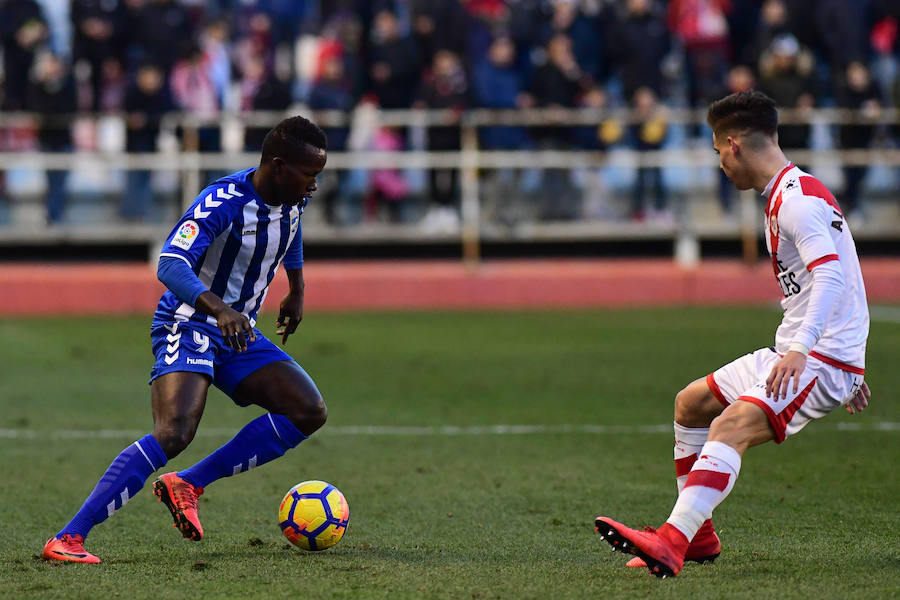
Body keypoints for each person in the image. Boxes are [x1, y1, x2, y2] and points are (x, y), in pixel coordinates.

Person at [594, 90, 872, 578]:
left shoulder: (796, 202)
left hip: (814, 355)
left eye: (717, 149)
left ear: (735, 144)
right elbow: (841, 275)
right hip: (812, 350)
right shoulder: (793, 192)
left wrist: (824, 356)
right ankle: (699, 538)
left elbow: (830, 277)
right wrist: (844, 353)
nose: (718, 160)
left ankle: (672, 541)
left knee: (730, 427)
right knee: (692, 404)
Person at [42, 116, 329, 563]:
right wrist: (219, 308)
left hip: (238, 331)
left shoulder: (293, 199)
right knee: (175, 431)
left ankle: (188, 484)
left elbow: (290, 233)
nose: (313, 185)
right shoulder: (224, 200)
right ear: (278, 166)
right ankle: (68, 537)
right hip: (189, 321)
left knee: (307, 411)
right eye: (309, 174)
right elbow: (170, 263)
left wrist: (297, 289)